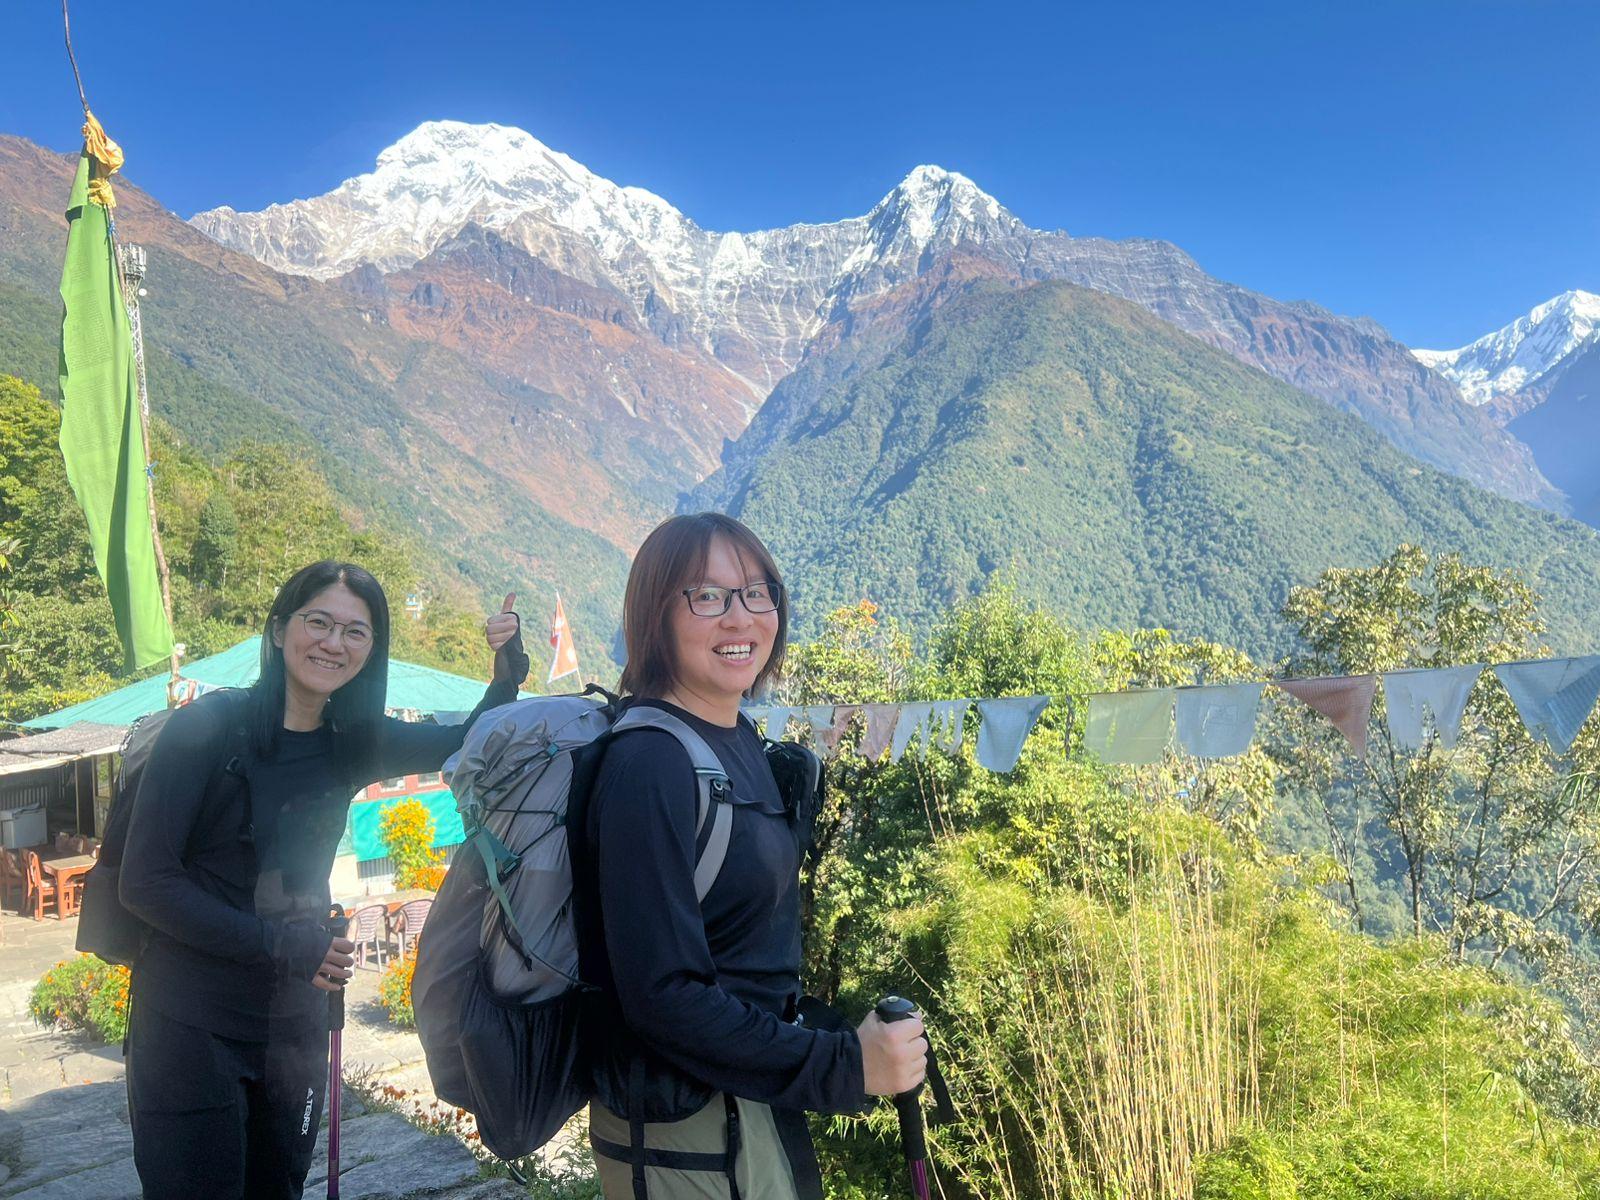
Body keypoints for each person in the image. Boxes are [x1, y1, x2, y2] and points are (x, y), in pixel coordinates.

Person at [118, 560, 528, 1199]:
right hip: (190, 1024)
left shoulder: (351, 743)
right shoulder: (206, 730)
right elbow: (145, 884)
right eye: (318, 622)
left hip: (293, 1024)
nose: (334, 644)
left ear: (372, 649)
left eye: (355, 632)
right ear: (281, 629)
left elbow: (468, 739)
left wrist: (508, 670)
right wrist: (286, 943)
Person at [581, 513, 927, 1199]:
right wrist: (845, 1066)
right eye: (706, 596)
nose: (739, 618)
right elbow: (663, 997)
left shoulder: (733, 734)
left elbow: (742, 954)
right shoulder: (649, 764)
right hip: (691, 1137)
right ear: (657, 614)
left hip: (751, 1110)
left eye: (756, 592)